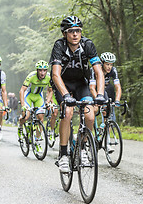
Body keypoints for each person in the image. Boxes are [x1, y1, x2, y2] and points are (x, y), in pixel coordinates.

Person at [49, 16, 105, 173]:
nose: (75, 34)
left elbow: (98, 72)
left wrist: (100, 94)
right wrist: (66, 95)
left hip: (81, 84)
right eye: (71, 31)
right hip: (63, 84)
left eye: (78, 31)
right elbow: (55, 74)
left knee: (90, 116)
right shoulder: (59, 46)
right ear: (65, 33)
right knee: (67, 112)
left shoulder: (87, 45)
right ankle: (64, 155)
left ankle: (82, 147)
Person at [18, 60, 53, 139]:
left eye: (44, 70)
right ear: (37, 70)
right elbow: (22, 90)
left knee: (40, 119)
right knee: (26, 117)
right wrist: (23, 105)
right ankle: (20, 126)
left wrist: (47, 102)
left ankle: (37, 140)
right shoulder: (31, 76)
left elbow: (51, 91)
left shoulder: (48, 77)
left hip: (38, 97)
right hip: (29, 96)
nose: (42, 73)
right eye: (40, 70)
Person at [89, 52, 122, 121]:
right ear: (102, 63)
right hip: (94, 88)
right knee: (94, 109)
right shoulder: (94, 70)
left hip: (106, 87)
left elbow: (118, 87)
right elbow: (92, 88)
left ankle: (107, 127)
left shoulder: (113, 70)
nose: (109, 67)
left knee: (109, 112)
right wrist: (97, 100)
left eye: (111, 64)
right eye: (107, 64)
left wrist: (117, 101)